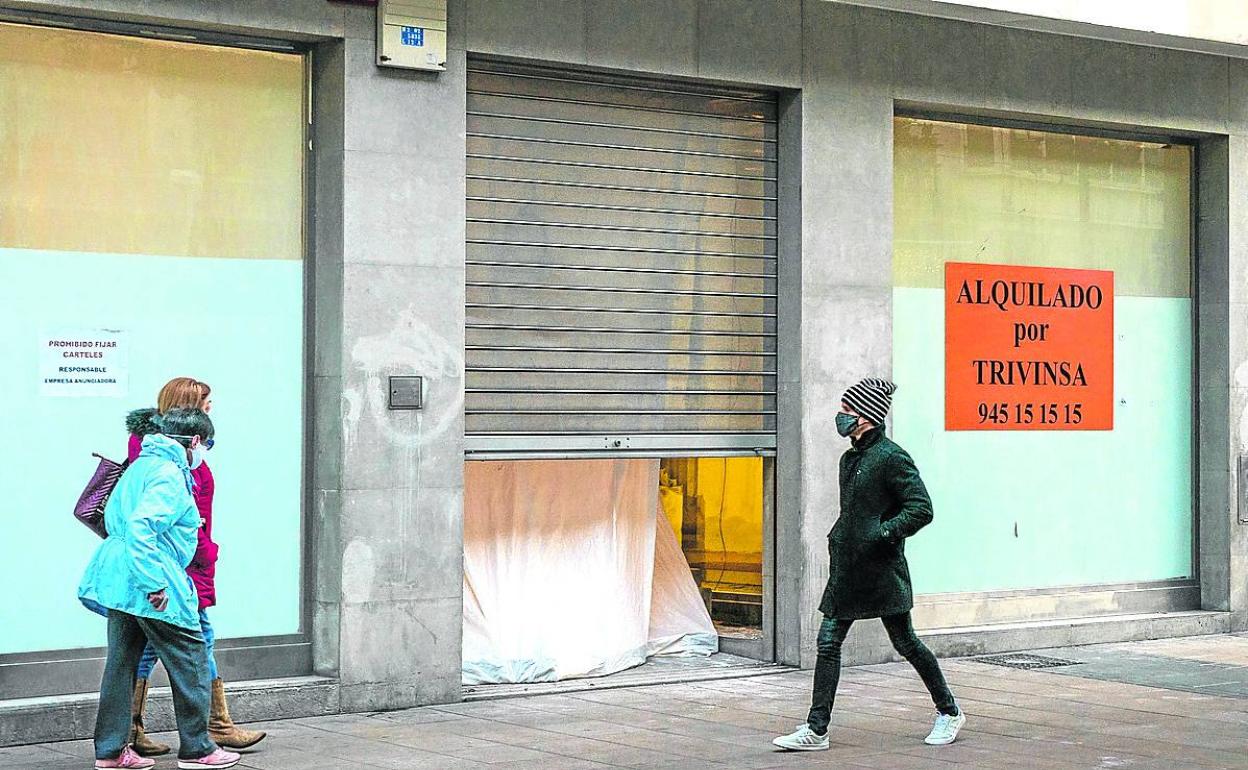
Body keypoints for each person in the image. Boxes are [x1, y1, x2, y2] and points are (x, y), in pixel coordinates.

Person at [773, 377, 966, 752]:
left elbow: (920, 508)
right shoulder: (851, 458)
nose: (841, 416)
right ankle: (817, 729)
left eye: (847, 410)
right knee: (828, 642)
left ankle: (950, 711)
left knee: (906, 642)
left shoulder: (891, 457)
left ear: (865, 417)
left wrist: (883, 533)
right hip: (847, 568)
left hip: (881, 571)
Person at [79, 408, 240, 769]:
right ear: (195, 441)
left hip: (119, 579)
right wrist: (154, 583)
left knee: (121, 664)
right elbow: (142, 528)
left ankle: (110, 751)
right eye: (207, 444)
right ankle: (198, 748)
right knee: (192, 658)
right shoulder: (169, 474)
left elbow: (117, 520)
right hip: (152, 578)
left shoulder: (141, 465)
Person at [124, 378, 265, 756]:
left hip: (182, 563)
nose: (211, 409)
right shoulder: (169, 458)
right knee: (194, 641)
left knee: (156, 648)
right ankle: (207, 732)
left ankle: (137, 731)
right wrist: (203, 553)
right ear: (188, 408)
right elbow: (174, 518)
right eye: (206, 403)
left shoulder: (165, 449)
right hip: (179, 566)